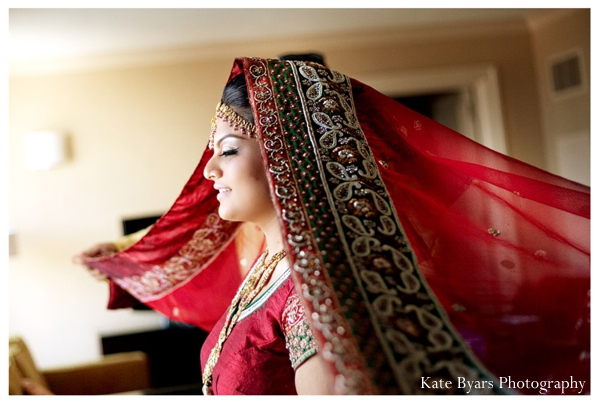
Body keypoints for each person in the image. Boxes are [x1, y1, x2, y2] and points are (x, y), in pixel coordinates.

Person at [78, 56, 590, 395]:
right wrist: (116, 257)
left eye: (228, 151)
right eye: (212, 153)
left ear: (288, 160)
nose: (208, 170)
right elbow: (185, 243)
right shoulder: (266, 259)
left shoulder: (315, 291)